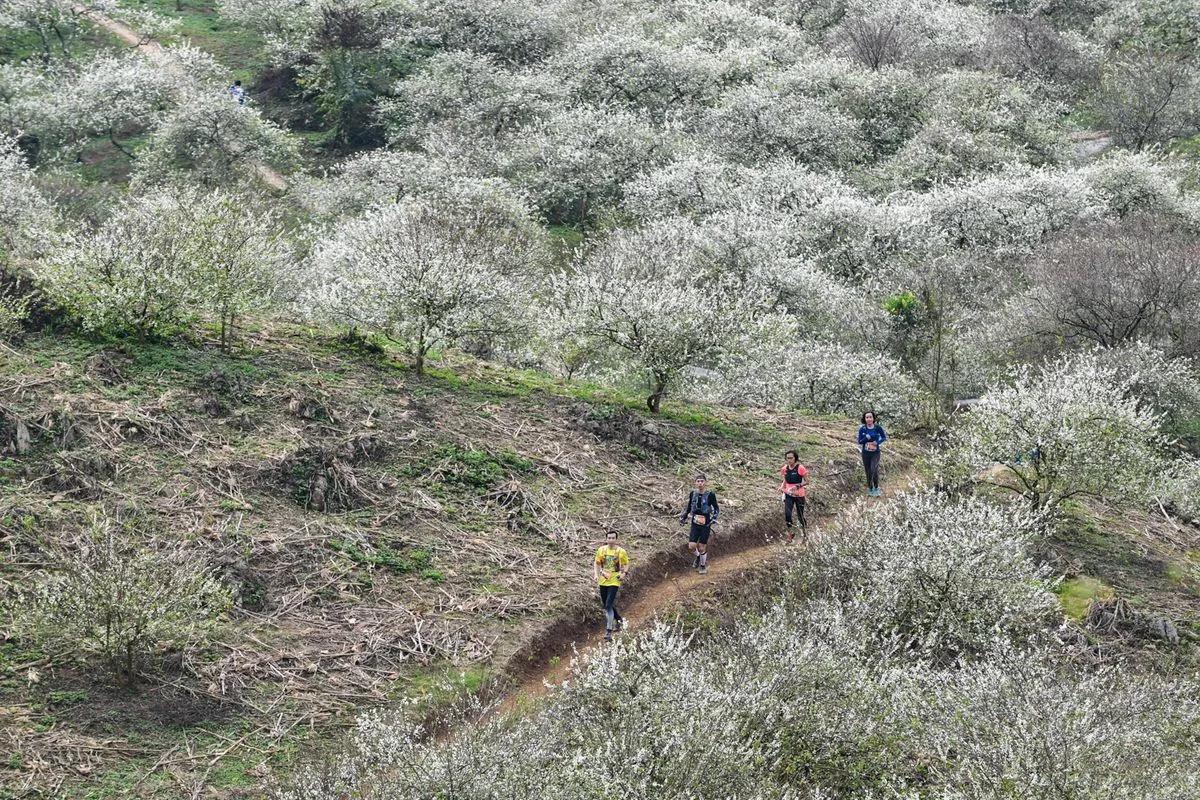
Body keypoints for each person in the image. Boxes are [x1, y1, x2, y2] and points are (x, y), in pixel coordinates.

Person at [678, 473, 719, 575]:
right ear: (695, 483)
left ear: (705, 483)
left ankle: (702, 565)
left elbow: (716, 508)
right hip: (695, 522)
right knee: (691, 546)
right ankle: (698, 557)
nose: (700, 483)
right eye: (698, 481)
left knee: (701, 547)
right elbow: (689, 507)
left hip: (706, 523)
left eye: (702, 481)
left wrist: (714, 518)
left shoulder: (710, 495)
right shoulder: (693, 494)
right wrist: (684, 516)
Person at [593, 530, 629, 642]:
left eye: (613, 538)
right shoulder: (602, 550)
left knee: (608, 604)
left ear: (616, 540)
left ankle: (609, 631)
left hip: (614, 580)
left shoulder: (621, 551)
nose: (611, 540)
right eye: (609, 538)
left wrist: (623, 574)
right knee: (606, 604)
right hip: (603, 580)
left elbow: (627, 564)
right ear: (606, 539)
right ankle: (619, 620)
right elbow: (597, 563)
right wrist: (596, 574)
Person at [779, 449, 808, 542]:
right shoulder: (784, 469)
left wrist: (798, 485)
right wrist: (782, 487)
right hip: (788, 494)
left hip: (799, 495)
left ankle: (805, 534)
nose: (789, 460)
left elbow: (807, 481)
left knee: (800, 516)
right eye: (787, 458)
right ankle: (791, 533)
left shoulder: (800, 468)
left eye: (791, 458)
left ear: (795, 458)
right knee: (787, 515)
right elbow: (785, 480)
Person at [857, 411, 887, 497]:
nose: (869, 419)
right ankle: (870, 489)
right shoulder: (862, 429)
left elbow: (884, 437)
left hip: (875, 453)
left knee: (873, 469)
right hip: (865, 453)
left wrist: (877, 442)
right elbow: (859, 441)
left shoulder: (878, 427)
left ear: (873, 418)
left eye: (870, 417)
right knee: (868, 471)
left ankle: (877, 488)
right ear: (865, 419)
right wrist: (865, 439)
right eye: (867, 417)